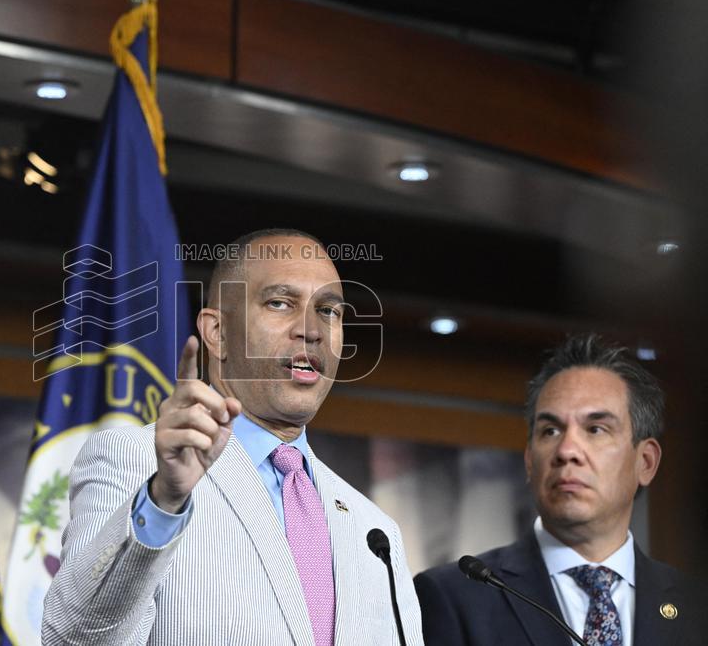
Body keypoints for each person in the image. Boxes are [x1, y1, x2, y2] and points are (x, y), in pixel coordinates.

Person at [42, 229, 424, 645]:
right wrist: (163, 502)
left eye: (329, 311)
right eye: (280, 303)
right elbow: (74, 639)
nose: (311, 330)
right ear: (217, 332)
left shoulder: (375, 531)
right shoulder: (138, 463)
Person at [414, 333, 707, 645]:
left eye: (596, 429)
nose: (567, 450)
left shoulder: (698, 608)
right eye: (550, 430)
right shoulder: (453, 596)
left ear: (645, 462)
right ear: (529, 461)